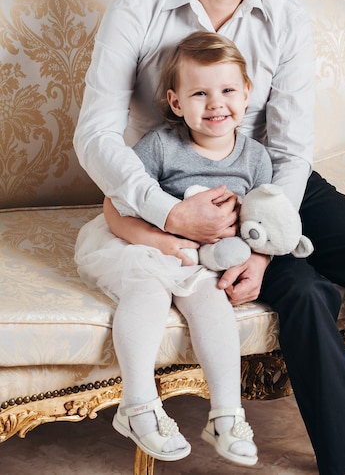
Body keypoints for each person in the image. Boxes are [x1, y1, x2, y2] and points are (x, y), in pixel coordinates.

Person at [73, 0, 345, 475]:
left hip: (273, 181)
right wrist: (168, 212)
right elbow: (95, 133)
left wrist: (263, 246)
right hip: (180, 184)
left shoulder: (285, 15)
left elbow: (291, 148)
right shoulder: (141, 6)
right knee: (306, 291)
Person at [75, 31, 273, 466]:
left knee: (212, 303)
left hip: (203, 260)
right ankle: (138, 405)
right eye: (199, 93)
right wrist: (162, 241)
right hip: (140, 242)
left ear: (246, 94)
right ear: (176, 102)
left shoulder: (255, 158)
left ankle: (225, 414)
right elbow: (114, 206)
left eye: (226, 91)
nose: (216, 103)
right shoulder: (162, 145)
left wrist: (256, 254)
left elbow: (265, 222)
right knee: (147, 291)